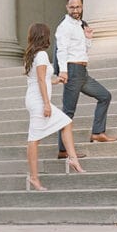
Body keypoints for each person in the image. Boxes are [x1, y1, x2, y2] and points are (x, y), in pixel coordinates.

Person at [55, 0, 117, 159]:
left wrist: (88, 38)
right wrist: (63, 71)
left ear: (82, 7)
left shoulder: (81, 24)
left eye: (78, 7)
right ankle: (63, 150)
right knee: (68, 111)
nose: (75, 10)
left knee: (105, 96)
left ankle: (97, 133)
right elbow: (61, 50)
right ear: (67, 8)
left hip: (83, 72)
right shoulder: (64, 27)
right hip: (72, 71)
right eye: (72, 7)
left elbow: (82, 50)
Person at [24, 22, 85, 191]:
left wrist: (55, 81)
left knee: (66, 122)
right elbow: (41, 80)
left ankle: (72, 159)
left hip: (34, 98)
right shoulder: (42, 55)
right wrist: (46, 104)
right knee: (34, 140)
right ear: (44, 36)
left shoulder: (32, 55)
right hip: (38, 101)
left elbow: (39, 79)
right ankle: (34, 178)